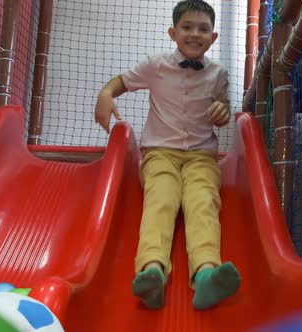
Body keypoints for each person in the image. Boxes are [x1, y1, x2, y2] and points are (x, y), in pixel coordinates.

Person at [94, 0, 240, 310]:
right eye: (187, 27)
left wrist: (222, 112)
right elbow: (118, 83)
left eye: (203, 29)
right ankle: (153, 272)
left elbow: (223, 111)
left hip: (202, 156)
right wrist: (106, 95)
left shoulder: (218, 74)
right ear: (173, 32)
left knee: (203, 203)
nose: (195, 34)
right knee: (161, 200)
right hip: (160, 153)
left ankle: (206, 276)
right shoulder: (155, 66)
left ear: (213, 38)